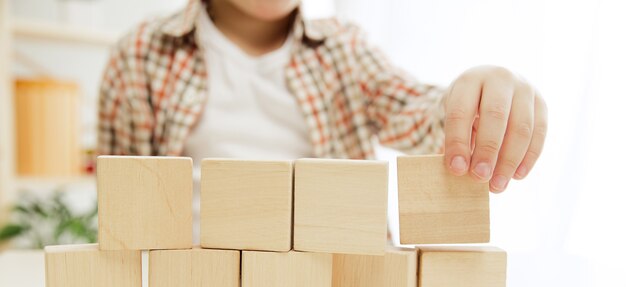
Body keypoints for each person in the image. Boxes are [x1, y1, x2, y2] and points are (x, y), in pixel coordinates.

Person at [98, 0, 547, 194]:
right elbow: (125, 209)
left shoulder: (345, 50)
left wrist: (468, 101)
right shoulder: (140, 52)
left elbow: (417, 113)